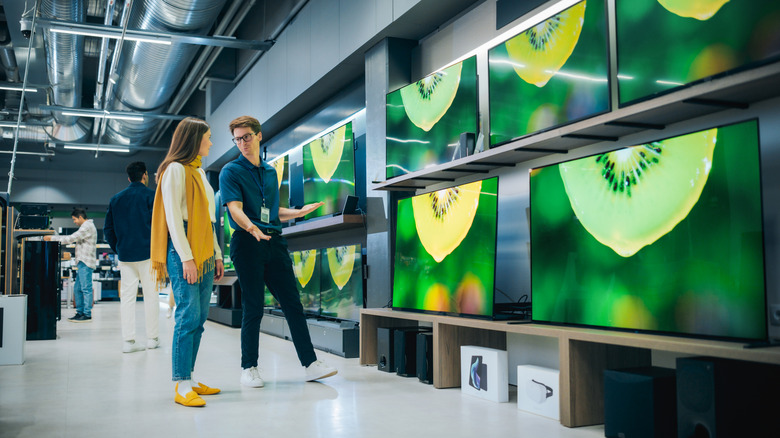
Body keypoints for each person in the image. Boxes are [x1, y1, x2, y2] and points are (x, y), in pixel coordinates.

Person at [219, 115, 337, 388]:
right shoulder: (230, 171)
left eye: (247, 137)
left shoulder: (270, 172)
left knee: (293, 304)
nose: (242, 143)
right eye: (237, 139)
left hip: (274, 242)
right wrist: (252, 228)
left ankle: (310, 364)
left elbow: (272, 212)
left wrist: (298, 212)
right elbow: (235, 209)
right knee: (254, 306)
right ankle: (249, 368)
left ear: (259, 135)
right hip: (247, 242)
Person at [150, 117, 224, 407]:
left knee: (200, 318)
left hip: (204, 250)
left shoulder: (200, 173)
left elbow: (208, 220)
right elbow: (173, 219)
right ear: (194, 139)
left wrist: (217, 255)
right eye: (208, 137)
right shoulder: (175, 170)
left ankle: (190, 379)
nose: (211, 143)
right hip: (183, 250)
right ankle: (181, 384)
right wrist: (187, 258)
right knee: (187, 316)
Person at [104, 161, 160, 353]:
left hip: (125, 255)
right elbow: (160, 226)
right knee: (151, 296)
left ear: (129, 178)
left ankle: (128, 341)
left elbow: (108, 230)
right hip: (148, 254)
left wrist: (118, 248)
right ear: (145, 175)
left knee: (127, 298)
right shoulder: (152, 196)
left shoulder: (115, 199)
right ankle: (152, 339)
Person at [45, 208, 97, 323]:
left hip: (86, 262)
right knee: (78, 289)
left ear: (80, 217)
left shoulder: (87, 227)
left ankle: (87, 314)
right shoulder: (85, 227)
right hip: (82, 262)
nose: (74, 222)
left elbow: (71, 238)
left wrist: (52, 238)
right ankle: (80, 312)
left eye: (74, 219)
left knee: (86, 289)